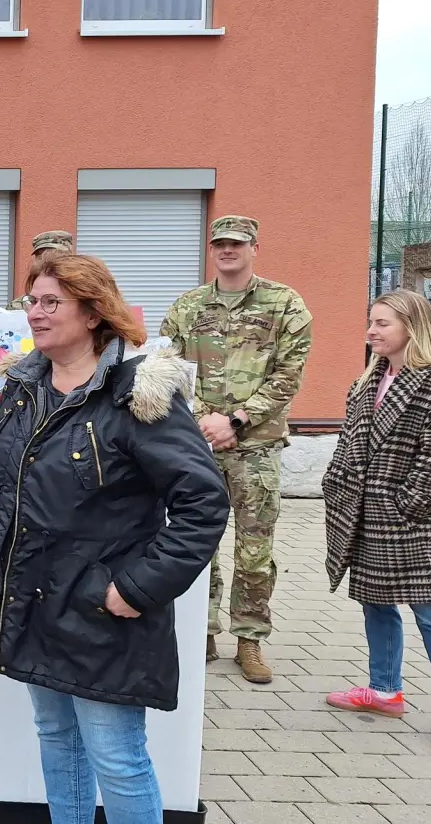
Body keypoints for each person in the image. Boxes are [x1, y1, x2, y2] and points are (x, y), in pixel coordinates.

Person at [0, 254, 229, 824]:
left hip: (101, 613)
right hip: (30, 600)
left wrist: (134, 588)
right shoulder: (23, 385)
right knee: (56, 736)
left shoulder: (139, 396)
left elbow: (204, 502)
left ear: (94, 312)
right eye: (31, 300)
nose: (35, 312)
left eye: (51, 302)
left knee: (117, 757)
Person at [322, 290, 431, 759]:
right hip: (364, 514)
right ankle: (385, 691)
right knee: (376, 602)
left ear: (413, 327)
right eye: (371, 321)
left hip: (412, 521)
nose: (371, 331)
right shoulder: (369, 381)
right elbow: (350, 443)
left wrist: (402, 505)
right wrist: (337, 483)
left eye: (382, 323)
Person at [160, 215, 312, 684]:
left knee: (254, 549)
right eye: (220, 243)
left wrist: (237, 420)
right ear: (212, 249)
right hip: (198, 443)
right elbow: (168, 365)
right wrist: (209, 420)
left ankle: (250, 640)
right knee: (197, 541)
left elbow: (290, 372)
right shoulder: (188, 306)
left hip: (256, 446)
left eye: (237, 244)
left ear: (254, 249)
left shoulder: (284, 303)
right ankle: (201, 631)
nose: (228, 250)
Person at [7, 231, 76, 310]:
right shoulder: (19, 307)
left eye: (56, 254)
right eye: (40, 256)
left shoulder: (84, 303)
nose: (46, 260)